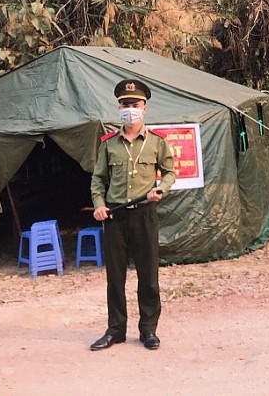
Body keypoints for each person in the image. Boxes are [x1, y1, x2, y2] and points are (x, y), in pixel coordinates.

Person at [89, 78, 175, 351]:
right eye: (125, 105)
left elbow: (171, 171)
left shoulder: (157, 142)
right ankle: (115, 331)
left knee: (148, 276)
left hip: (144, 214)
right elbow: (98, 179)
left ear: (145, 108)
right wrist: (99, 204)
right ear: (119, 108)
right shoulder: (108, 143)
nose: (130, 109)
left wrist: (162, 188)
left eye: (135, 104)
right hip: (115, 216)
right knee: (115, 277)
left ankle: (148, 330)